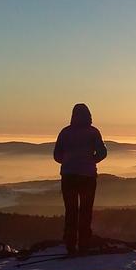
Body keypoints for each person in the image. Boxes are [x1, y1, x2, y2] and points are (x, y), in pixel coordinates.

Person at [53, 103, 108, 254]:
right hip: (88, 177)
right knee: (86, 210)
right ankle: (84, 243)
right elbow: (103, 153)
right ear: (89, 116)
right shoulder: (93, 132)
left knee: (71, 210)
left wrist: (68, 161)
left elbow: (56, 155)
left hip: (69, 177)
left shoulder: (65, 132)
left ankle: (70, 244)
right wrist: (91, 161)